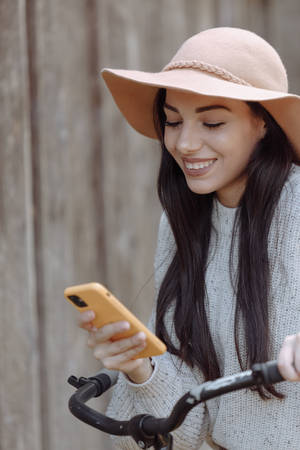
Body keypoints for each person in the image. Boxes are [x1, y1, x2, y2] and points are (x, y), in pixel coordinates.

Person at [79, 27, 300, 449]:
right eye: (173, 121)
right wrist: (140, 366)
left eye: (212, 122)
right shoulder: (183, 221)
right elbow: (185, 428)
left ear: (264, 125)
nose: (185, 142)